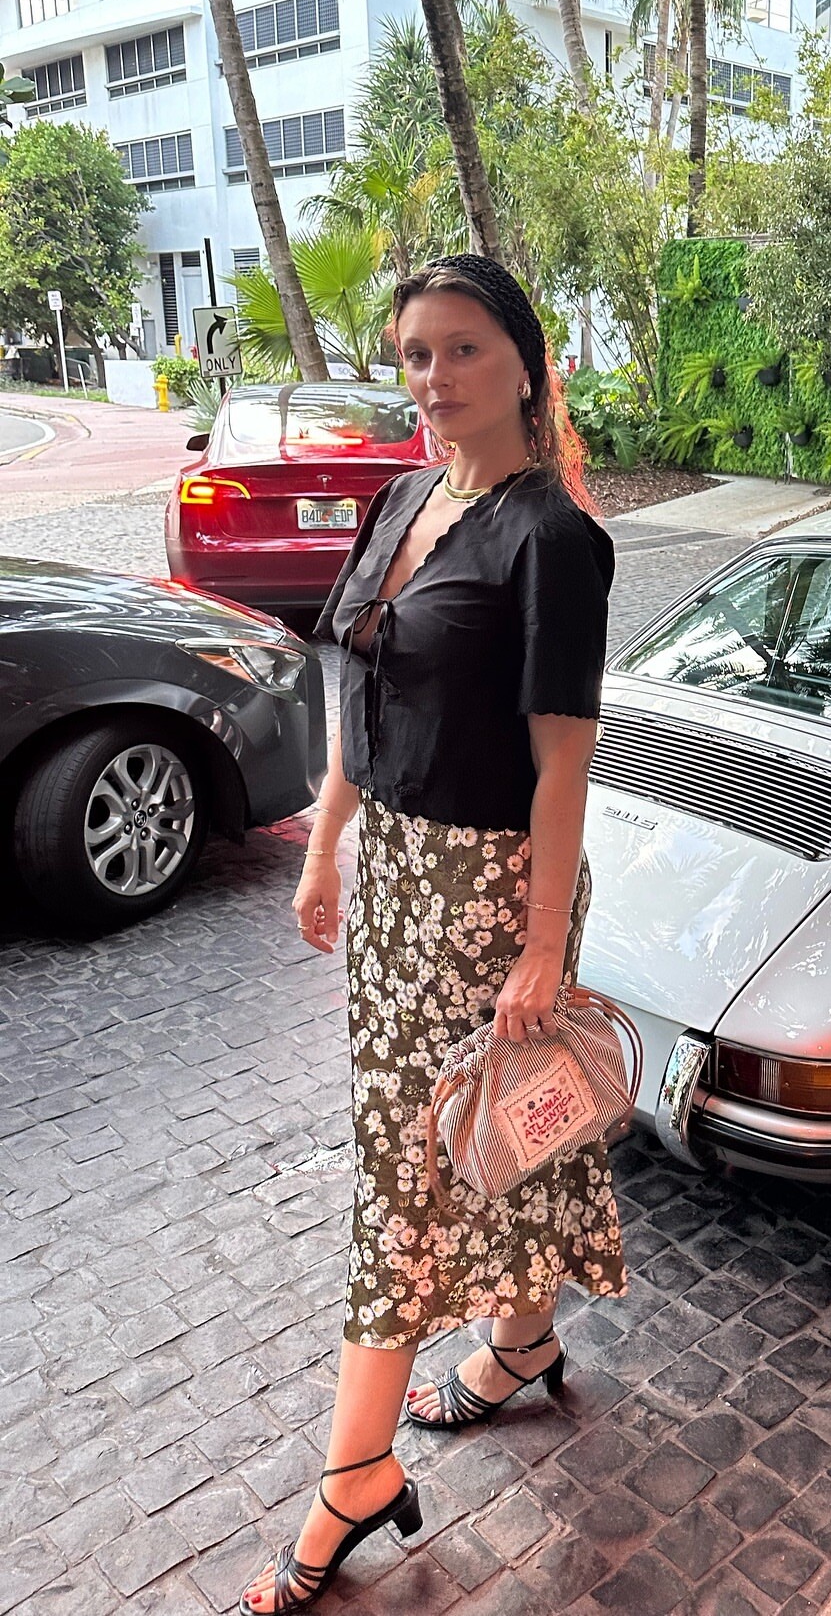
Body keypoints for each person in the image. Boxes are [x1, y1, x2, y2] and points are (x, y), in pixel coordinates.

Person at [237, 256, 627, 1613]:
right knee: (488, 1125)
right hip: (398, 876)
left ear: (524, 362)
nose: (435, 376)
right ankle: (522, 1341)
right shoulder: (405, 498)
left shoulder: (554, 537)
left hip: (493, 888)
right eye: (414, 352)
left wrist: (541, 947)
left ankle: (355, 1472)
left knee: (407, 1171)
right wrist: (327, 841)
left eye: (463, 348)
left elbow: (564, 763)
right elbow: (360, 684)